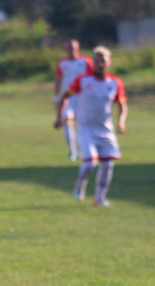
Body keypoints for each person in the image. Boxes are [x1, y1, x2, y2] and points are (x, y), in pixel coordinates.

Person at [54, 46, 127, 206]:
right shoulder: (83, 80)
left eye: (103, 61)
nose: (100, 64)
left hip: (106, 130)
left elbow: (121, 104)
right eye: (97, 61)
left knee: (108, 164)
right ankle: (81, 182)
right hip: (85, 130)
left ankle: (99, 198)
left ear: (109, 63)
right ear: (93, 62)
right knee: (89, 164)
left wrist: (121, 121)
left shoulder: (115, 82)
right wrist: (59, 116)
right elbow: (65, 96)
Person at [53, 38, 93, 162]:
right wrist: (56, 95)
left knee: (82, 125)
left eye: (72, 47)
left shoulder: (86, 61)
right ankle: (72, 151)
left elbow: (92, 77)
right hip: (67, 98)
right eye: (68, 47)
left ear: (78, 47)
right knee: (67, 121)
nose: (70, 49)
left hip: (82, 97)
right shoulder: (62, 63)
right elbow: (59, 79)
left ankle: (83, 150)